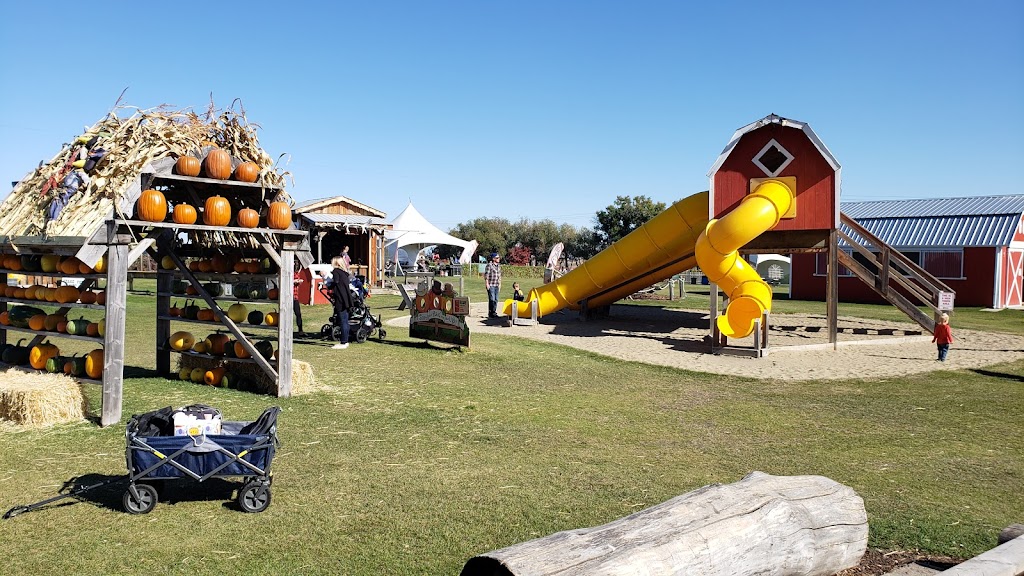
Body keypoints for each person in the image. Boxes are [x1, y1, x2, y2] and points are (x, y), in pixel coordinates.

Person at [329, 255, 354, 349]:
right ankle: (345, 340)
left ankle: (343, 342)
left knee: (342, 320)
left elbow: (335, 282)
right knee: (345, 320)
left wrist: (328, 284)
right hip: (347, 298)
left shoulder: (336, 272)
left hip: (340, 298)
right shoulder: (344, 273)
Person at [484, 252, 502, 318]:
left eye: (499, 258)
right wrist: (487, 284)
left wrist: (500, 284)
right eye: (497, 258)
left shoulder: (499, 266)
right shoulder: (489, 265)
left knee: (496, 299)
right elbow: (486, 275)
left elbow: (499, 276)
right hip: (491, 284)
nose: (498, 259)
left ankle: (494, 312)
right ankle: (491, 312)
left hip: (496, 285)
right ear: (493, 259)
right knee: (492, 299)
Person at [292, 269, 305, 336]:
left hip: (295, 297)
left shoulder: (297, 273)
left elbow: (296, 284)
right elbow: (285, 281)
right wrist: (294, 281)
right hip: (288, 297)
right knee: (286, 315)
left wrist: (299, 282)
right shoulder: (288, 272)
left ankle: (300, 331)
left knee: (298, 314)